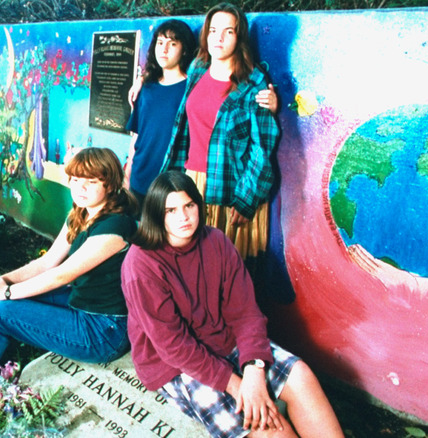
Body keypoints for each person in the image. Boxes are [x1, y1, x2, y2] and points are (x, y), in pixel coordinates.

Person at [121, 171, 342, 438]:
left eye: (189, 206)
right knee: (273, 428)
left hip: (225, 340)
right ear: (157, 214)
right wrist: (240, 387)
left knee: (301, 376)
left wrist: (254, 370)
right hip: (177, 364)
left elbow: (246, 312)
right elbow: (173, 347)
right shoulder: (141, 264)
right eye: (171, 210)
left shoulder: (215, 240)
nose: (183, 217)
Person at [0, 147, 137, 406]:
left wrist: (6, 293)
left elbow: (62, 275)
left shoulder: (116, 226)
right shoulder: (82, 213)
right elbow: (47, 262)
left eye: (91, 181)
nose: (80, 188)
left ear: (110, 185)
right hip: (80, 304)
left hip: (103, 331)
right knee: (1, 304)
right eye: (76, 180)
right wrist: (3, 280)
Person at [159, 3, 280, 263]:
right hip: (192, 182)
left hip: (231, 189)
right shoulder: (197, 68)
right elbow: (167, 77)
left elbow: (263, 147)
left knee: (223, 272)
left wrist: (246, 199)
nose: (219, 38)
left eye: (229, 32)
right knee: (189, 264)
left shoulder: (253, 82)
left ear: (240, 37)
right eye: (213, 30)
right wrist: (142, 80)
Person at [125, 19, 277, 209]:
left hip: (174, 180)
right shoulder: (146, 88)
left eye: (172, 44)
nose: (164, 49)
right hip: (139, 179)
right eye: (160, 42)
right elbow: (137, 135)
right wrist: (128, 172)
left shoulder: (191, 87)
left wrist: (269, 102)